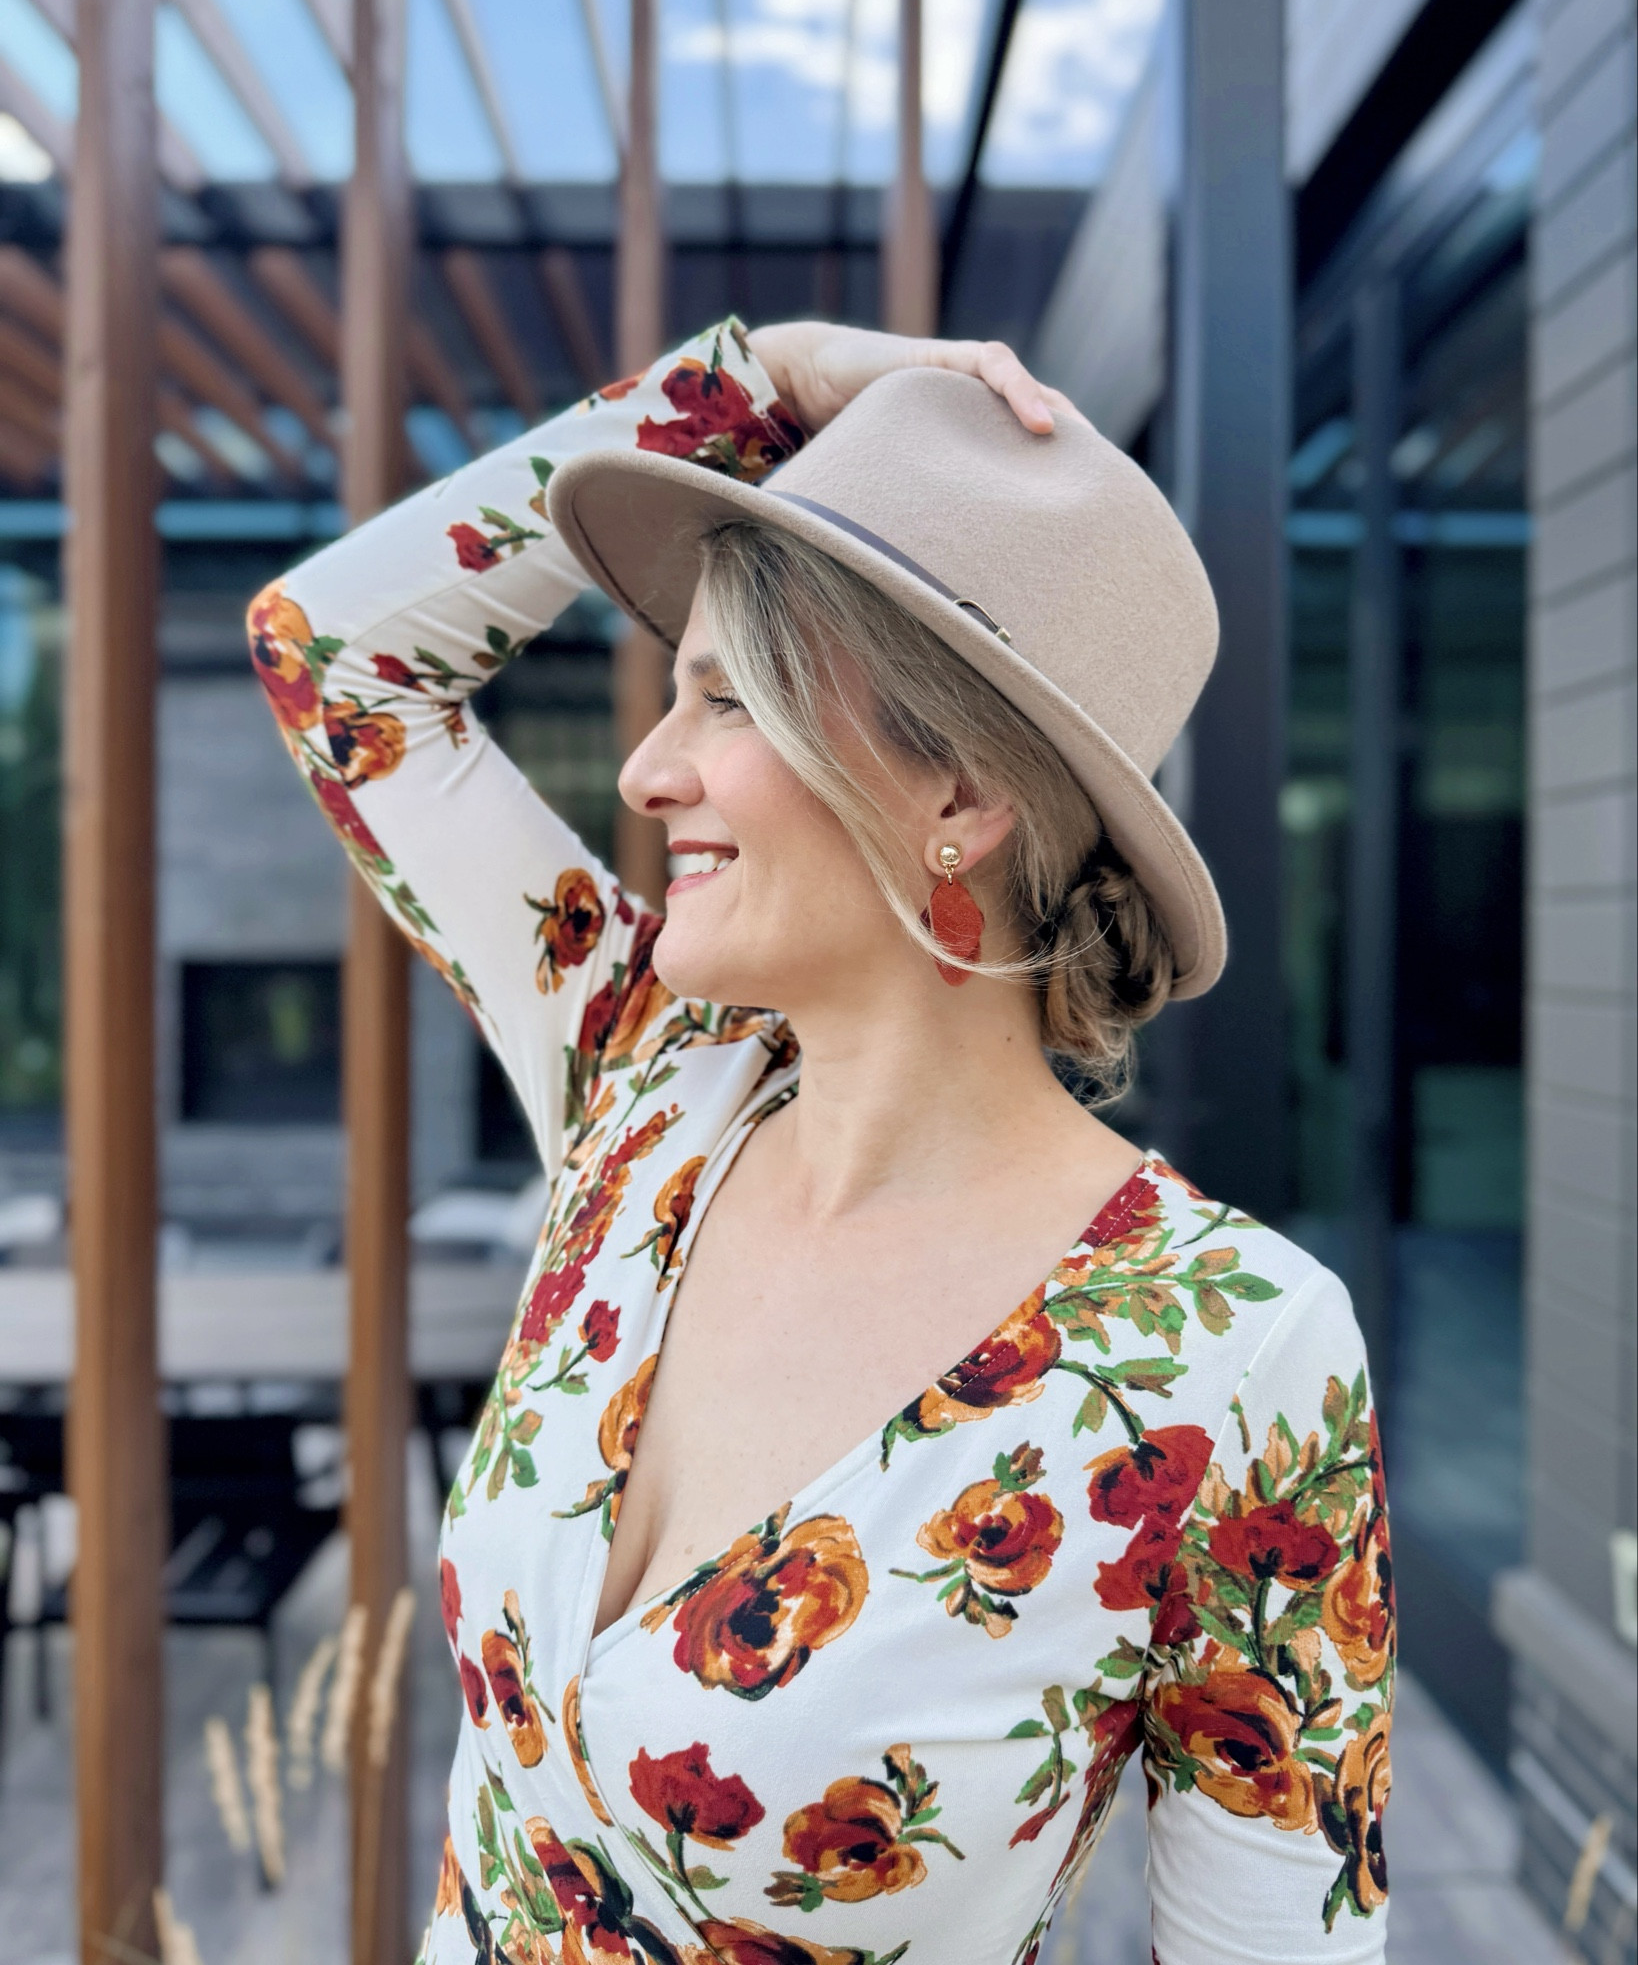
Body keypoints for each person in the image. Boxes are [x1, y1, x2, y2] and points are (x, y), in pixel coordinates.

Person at [248, 317, 1393, 1965]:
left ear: (956, 794)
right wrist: (747, 383)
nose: (647, 771)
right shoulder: (645, 1089)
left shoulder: (1222, 1356)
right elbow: (332, 656)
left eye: (722, 697)